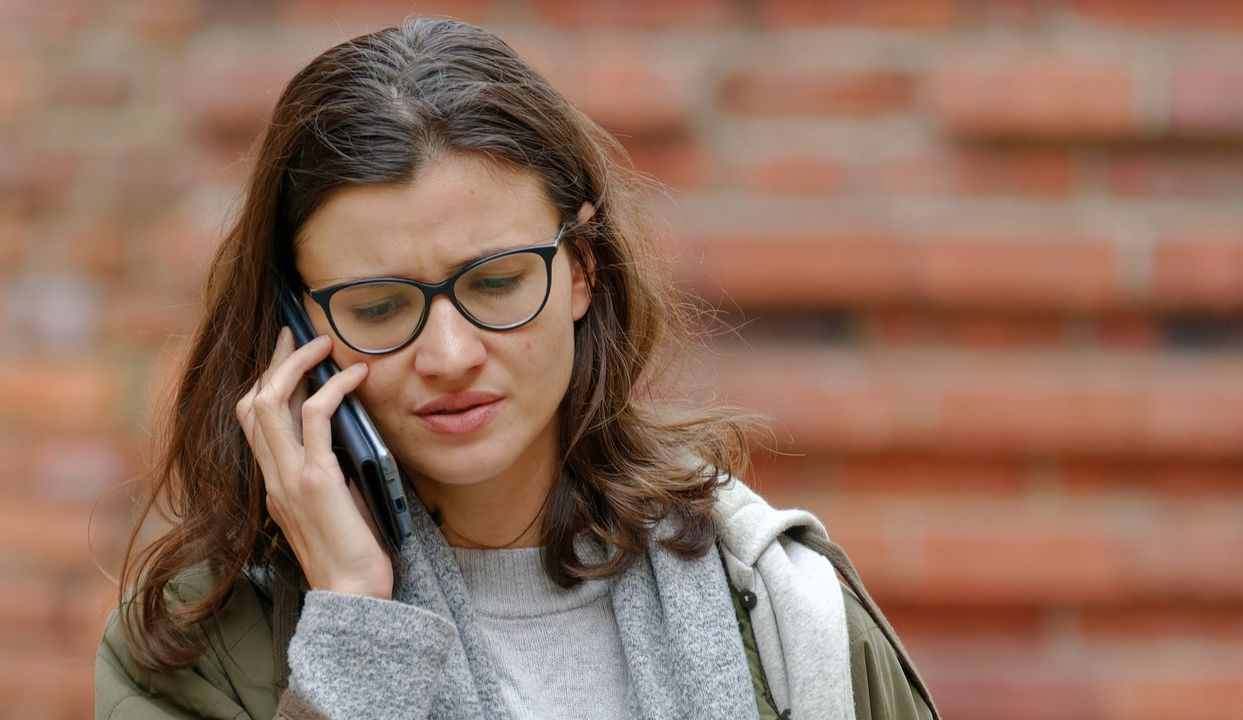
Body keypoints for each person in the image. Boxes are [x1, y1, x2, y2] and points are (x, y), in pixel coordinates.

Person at [95, 17, 939, 720]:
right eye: (380, 307)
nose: (451, 356)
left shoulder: (783, 604)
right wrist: (351, 629)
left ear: (581, 269)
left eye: (497, 284)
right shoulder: (191, 648)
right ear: (298, 324)